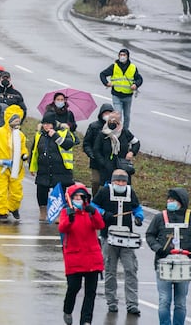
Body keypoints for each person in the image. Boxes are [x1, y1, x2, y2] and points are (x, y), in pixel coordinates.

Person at [92, 169, 144, 315]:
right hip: (109, 237)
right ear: (112, 181)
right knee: (110, 270)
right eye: (118, 181)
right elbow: (93, 206)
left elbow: (137, 208)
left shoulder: (130, 192)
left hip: (127, 238)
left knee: (131, 270)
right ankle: (112, 301)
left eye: (123, 181)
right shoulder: (104, 192)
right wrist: (103, 213)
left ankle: (132, 303)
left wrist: (139, 217)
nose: (120, 184)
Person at [59, 182, 105, 325]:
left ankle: (86, 320)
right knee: (73, 287)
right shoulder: (66, 212)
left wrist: (94, 213)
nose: (79, 199)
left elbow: (100, 225)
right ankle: (68, 309)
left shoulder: (90, 212)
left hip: (92, 257)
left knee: (90, 292)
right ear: (70, 198)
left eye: (81, 197)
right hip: (75, 257)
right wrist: (70, 219)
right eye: (76, 197)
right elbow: (62, 228)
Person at [146, 187, 191, 325]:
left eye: (173, 200)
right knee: (164, 300)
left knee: (181, 302)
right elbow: (150, 235)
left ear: (181, 202)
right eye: (169, 199)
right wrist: (159, 249)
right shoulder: (160, 217)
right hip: (163, 264)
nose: (169, 202)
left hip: (184, 265)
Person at [29, 111, 76, 222]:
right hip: (44, 169)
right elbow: (34, 151)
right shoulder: (39, 135)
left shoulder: (64, 132)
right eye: (44, 124)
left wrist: (55, 135)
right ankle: (43, 212)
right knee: (41, 191)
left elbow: (69, 144)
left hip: (60, 169)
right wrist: (32, 167)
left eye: (49, 124)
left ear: (53, 124)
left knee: (59, 193)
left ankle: (59, 214)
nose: (46, 126)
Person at [92, 111, 140, 187]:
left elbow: (136, 143)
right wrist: (103, 162)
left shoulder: (124, 132)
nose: (112, 123)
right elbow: (96, 150)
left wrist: (132, 152)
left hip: (122, 167)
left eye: (115, 121)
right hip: (107, 169)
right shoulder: (103, 134)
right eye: (110, 120)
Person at [99, 48, 142, 130]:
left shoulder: (132, 67)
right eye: (121, 55)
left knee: (127, 116)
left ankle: (125, 133)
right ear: (118, 56)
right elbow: (102, 74)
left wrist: (136, 85)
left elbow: (140, 79)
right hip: (116, 95)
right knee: (118, 115)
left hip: (128, 96)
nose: (122, 57)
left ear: (128, 56)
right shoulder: (114, 66)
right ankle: (118, 131)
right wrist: (106, 83)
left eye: (124, 55)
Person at [83, 103, 114, 194]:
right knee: (96, 181)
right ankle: (95, 198)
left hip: (110, 161)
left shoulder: (116, 127)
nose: (107, 116)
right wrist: (91, 154)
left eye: (109, 113)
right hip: (96, 160)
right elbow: (87, 143)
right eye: (105, 113)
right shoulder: (94, 126)